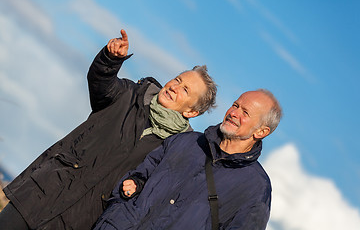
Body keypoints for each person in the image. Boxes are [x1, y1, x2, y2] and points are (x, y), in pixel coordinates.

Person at [0, 29, 217, 230]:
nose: (174, 87)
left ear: (191, 112)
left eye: (185, 90)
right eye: (178, 79)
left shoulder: (176, 149)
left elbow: (151, 188)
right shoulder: (131, 94)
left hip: (80, 220)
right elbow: (101, 84)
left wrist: (137, 185)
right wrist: (110, 59)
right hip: (41, 194)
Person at [94, 89, 282, 230]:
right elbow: (141, 173)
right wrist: (131, 188)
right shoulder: (186, 141)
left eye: (245, 113)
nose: (234, 113)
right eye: (235, 105)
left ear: (261, 131)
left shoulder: (256, 187)